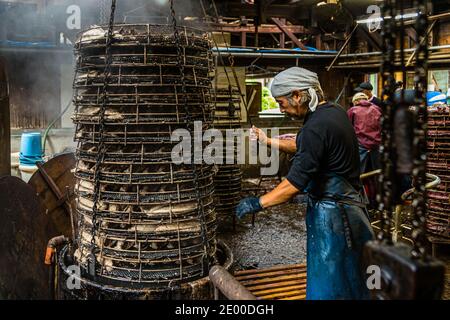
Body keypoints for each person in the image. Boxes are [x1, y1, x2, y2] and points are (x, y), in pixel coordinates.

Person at [237, 67, 374, 300]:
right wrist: (266, 140)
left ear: (298, 95)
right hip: (351, 210)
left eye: (281, 102)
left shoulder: (316, 126)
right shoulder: (333, 113)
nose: (281, 109)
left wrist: (257, 202)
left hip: (336, 218)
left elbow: (293, 184)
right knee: (356, 278)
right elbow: (303, 146)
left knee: (331, 281)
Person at [347, 92, 382, 207]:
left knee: (358, 175)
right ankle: (376, 202)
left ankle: (359, 202)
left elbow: (348, 128)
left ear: (356, 101)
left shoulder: (353, 110)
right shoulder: (377, 109)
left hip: (360, 146)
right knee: (376, 174)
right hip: (376, 146)